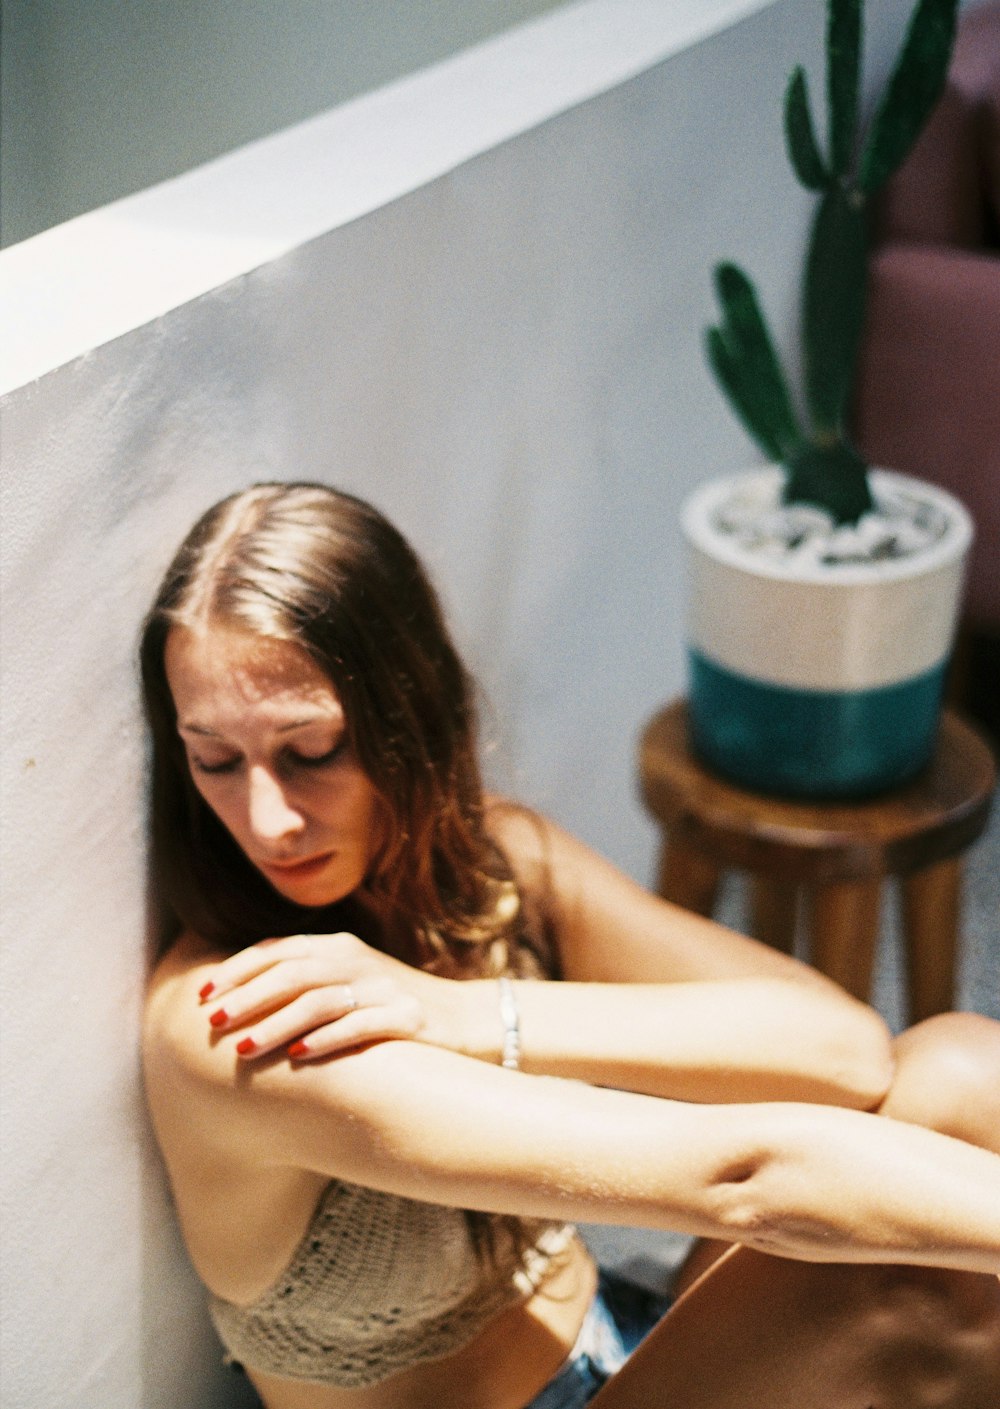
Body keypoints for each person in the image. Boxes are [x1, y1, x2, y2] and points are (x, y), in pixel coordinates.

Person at [142, 481, 1000, 1409]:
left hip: (631, 1345)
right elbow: (740, 1180)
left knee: (962, 1072)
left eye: (311, 750)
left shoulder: (491, 871)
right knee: (917, 1291)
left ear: (411, 709)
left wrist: (469, 1011)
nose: (267, 819)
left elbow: (844, 1050)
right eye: (215, 760)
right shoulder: (239, 1020)